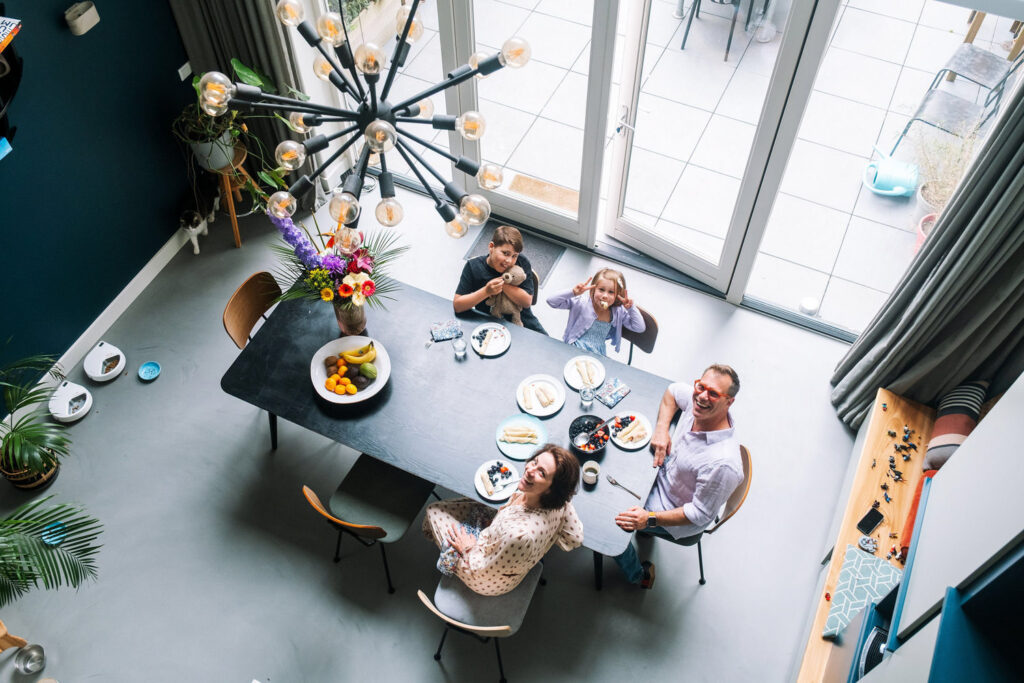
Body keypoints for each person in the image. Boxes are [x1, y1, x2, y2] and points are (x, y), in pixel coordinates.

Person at [612, 364, 743, 589]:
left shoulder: (723, 464)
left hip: (669, 507)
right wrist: (662, 429)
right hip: (660, 475)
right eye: (701, 387)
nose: (702, 396)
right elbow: (672, 391)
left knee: (611, 525)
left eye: (713, 393)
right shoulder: (699, 405)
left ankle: (639, 575)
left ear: (729, 402)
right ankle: (645, 535)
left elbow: (699, 514)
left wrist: (649, 518)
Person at [423, 445, 583, 596]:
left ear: (552, 489)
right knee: (469, 504)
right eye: (534, 462)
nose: (529, 470)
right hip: (498, 539)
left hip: (485, 577)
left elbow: (482, 573)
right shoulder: (562, 503)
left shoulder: (519, 536)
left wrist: (468, 548)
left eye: (541, 473)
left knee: (433, 510)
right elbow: (575, 538)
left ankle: (443, 550)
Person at [453, 225, 548, 335]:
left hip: (522, 320)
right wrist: (486, 291)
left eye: (514, 256)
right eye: (505, 253)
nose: (509, 260)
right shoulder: (473, 267)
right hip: (489, 322)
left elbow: (527, 302)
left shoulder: (522, 262)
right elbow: (458, 306)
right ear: (491, 247)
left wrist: (504, 285)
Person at [546, 267, 645, 356]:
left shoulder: (618, 312)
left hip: (598, 353)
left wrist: (631, 309)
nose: (605, 295)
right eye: (601, 289)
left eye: (611, 292)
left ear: (618, 295)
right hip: (574, 347)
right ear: (593, 290)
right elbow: (551, 301)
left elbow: (639, 327)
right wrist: (573, 292)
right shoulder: (581, 302)